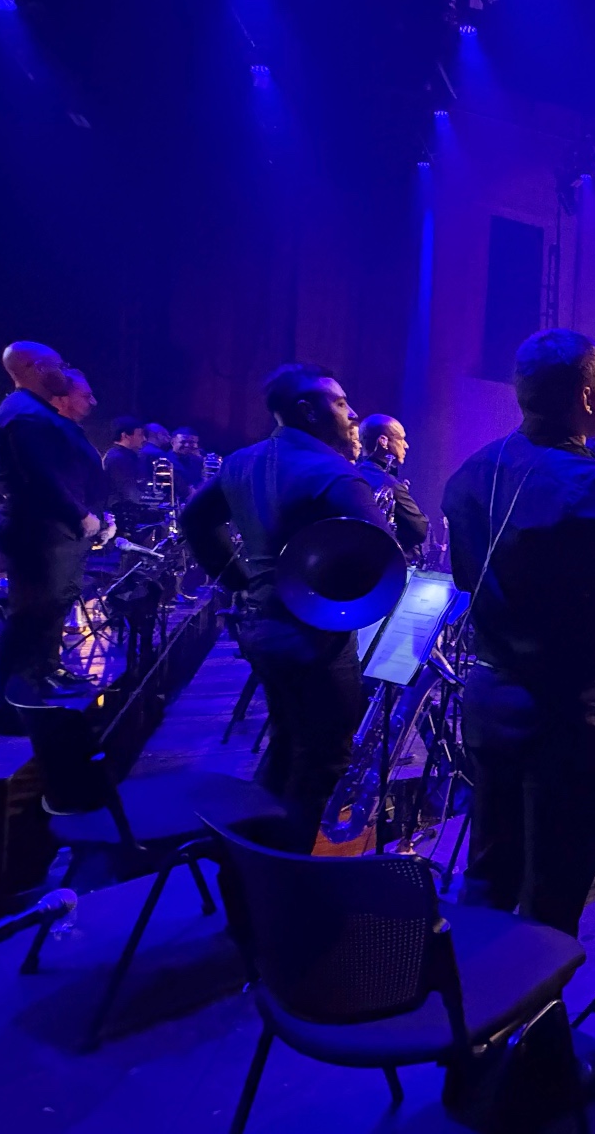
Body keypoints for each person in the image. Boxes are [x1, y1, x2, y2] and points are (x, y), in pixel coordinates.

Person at [442, 329, 595, 936]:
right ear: (589, 399)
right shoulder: (593, 487)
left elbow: (466, 577)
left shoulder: (469, 473)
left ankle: (474, 1011)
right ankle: (539, 1027)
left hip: (488, 698)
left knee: (489, 869)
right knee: (555, 889)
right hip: (565, 713)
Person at [182, 364, 386, 851]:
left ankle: (249, 861)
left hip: (259, 628)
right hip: (315, 638)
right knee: (323, 761)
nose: (353, 412)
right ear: (306, 411)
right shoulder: (336, 473)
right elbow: (383, 555)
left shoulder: (241, 461)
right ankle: (281, 881)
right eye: (339, 402)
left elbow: (195, 519)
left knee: (286, 742)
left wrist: (238, 580)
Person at [0, 343, 107, 715]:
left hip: (52, 527)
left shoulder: (35, 410)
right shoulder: (24, 413)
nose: (65, 370)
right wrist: (79, 514)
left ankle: (41, 677)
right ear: (39, 368)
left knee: (50, 608)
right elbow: (41, 476)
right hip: (38, 529)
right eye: (60, 364)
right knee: (30, 615)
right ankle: (12, 707)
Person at [356, 414, 429, 560]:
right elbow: (420, 529)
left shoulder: (352, 474)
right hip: (389, 565)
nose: (406, 445)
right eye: (401, 439)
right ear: (383, 441)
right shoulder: (390, 484)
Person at [102, 416, 148, 534]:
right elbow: (128, 492)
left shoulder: (125, 456)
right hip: (122, 517)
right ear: (125, 435)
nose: (144, 439)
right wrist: (152, 503)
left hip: (126, 512)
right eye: (140, 434)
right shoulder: (118, 458)